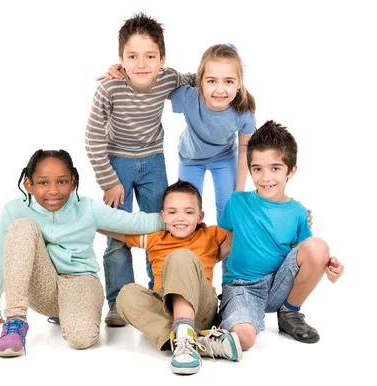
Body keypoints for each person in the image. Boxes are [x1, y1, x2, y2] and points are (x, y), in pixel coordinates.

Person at [0, 149, 166, 357]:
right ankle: (15, 320)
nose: (53, 190)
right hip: (42, 286)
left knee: (82, 339)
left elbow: (133, 222)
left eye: (62, 182)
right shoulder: (13, 210)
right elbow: (1, 260)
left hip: (80, 282)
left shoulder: (87, 208)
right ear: (29, 185)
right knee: (22, 227)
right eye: (43, 183)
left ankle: (69, 313)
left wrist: (175, 218)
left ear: (73, 182)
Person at [85, 12, 195, 327]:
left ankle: (160, 294)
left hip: (153, 162)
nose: (141, 64)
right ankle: (119, 302)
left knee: (159, 228)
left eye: (150, 56)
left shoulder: (167, 77)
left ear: (162, 60)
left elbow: (195, 78)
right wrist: (108, 181)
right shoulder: (110, 87)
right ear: (120, 59)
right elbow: (92, 136)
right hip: (116, 162)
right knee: (118, 236)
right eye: (132, 56)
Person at [217, 120, 344, 351]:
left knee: (318, 246)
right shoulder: (237, 202)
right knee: (243, 339)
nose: (266, 177)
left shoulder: (298, 212)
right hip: (243, 286)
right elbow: (225, 244)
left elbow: (303, 255)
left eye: (275, 168)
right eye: (257, 168)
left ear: (291, 171)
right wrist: (196, 265)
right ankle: (234, 313)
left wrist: (328, 268)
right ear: (250, 169)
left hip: (279, 285)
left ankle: (289, 313)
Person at [99, 180, 242, 375]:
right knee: (126, 295)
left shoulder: (210, 235)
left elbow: (238, 232)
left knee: (180, 256)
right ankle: (200, 342)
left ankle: (185, 336)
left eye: (189, 212)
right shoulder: (155, 238)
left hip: (200, 306)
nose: (180, 218)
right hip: (164, 305)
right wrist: (90, 222)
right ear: (163, 216)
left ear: (200, 216)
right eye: (173, 212)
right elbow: (119, 232)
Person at [170, 43, 256, 274]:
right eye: (211, 81)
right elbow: (154, 85)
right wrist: (122, 70)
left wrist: (239, 189)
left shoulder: (244, 112)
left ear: (239, 83)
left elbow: (245, 147)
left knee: (228, 211)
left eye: (228, 81)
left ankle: (231, 278)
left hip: (223, 158)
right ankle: (190, 273)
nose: (220, 89)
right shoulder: (187, 98)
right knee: (186, 211)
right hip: (190, 158)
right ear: (199, 81)